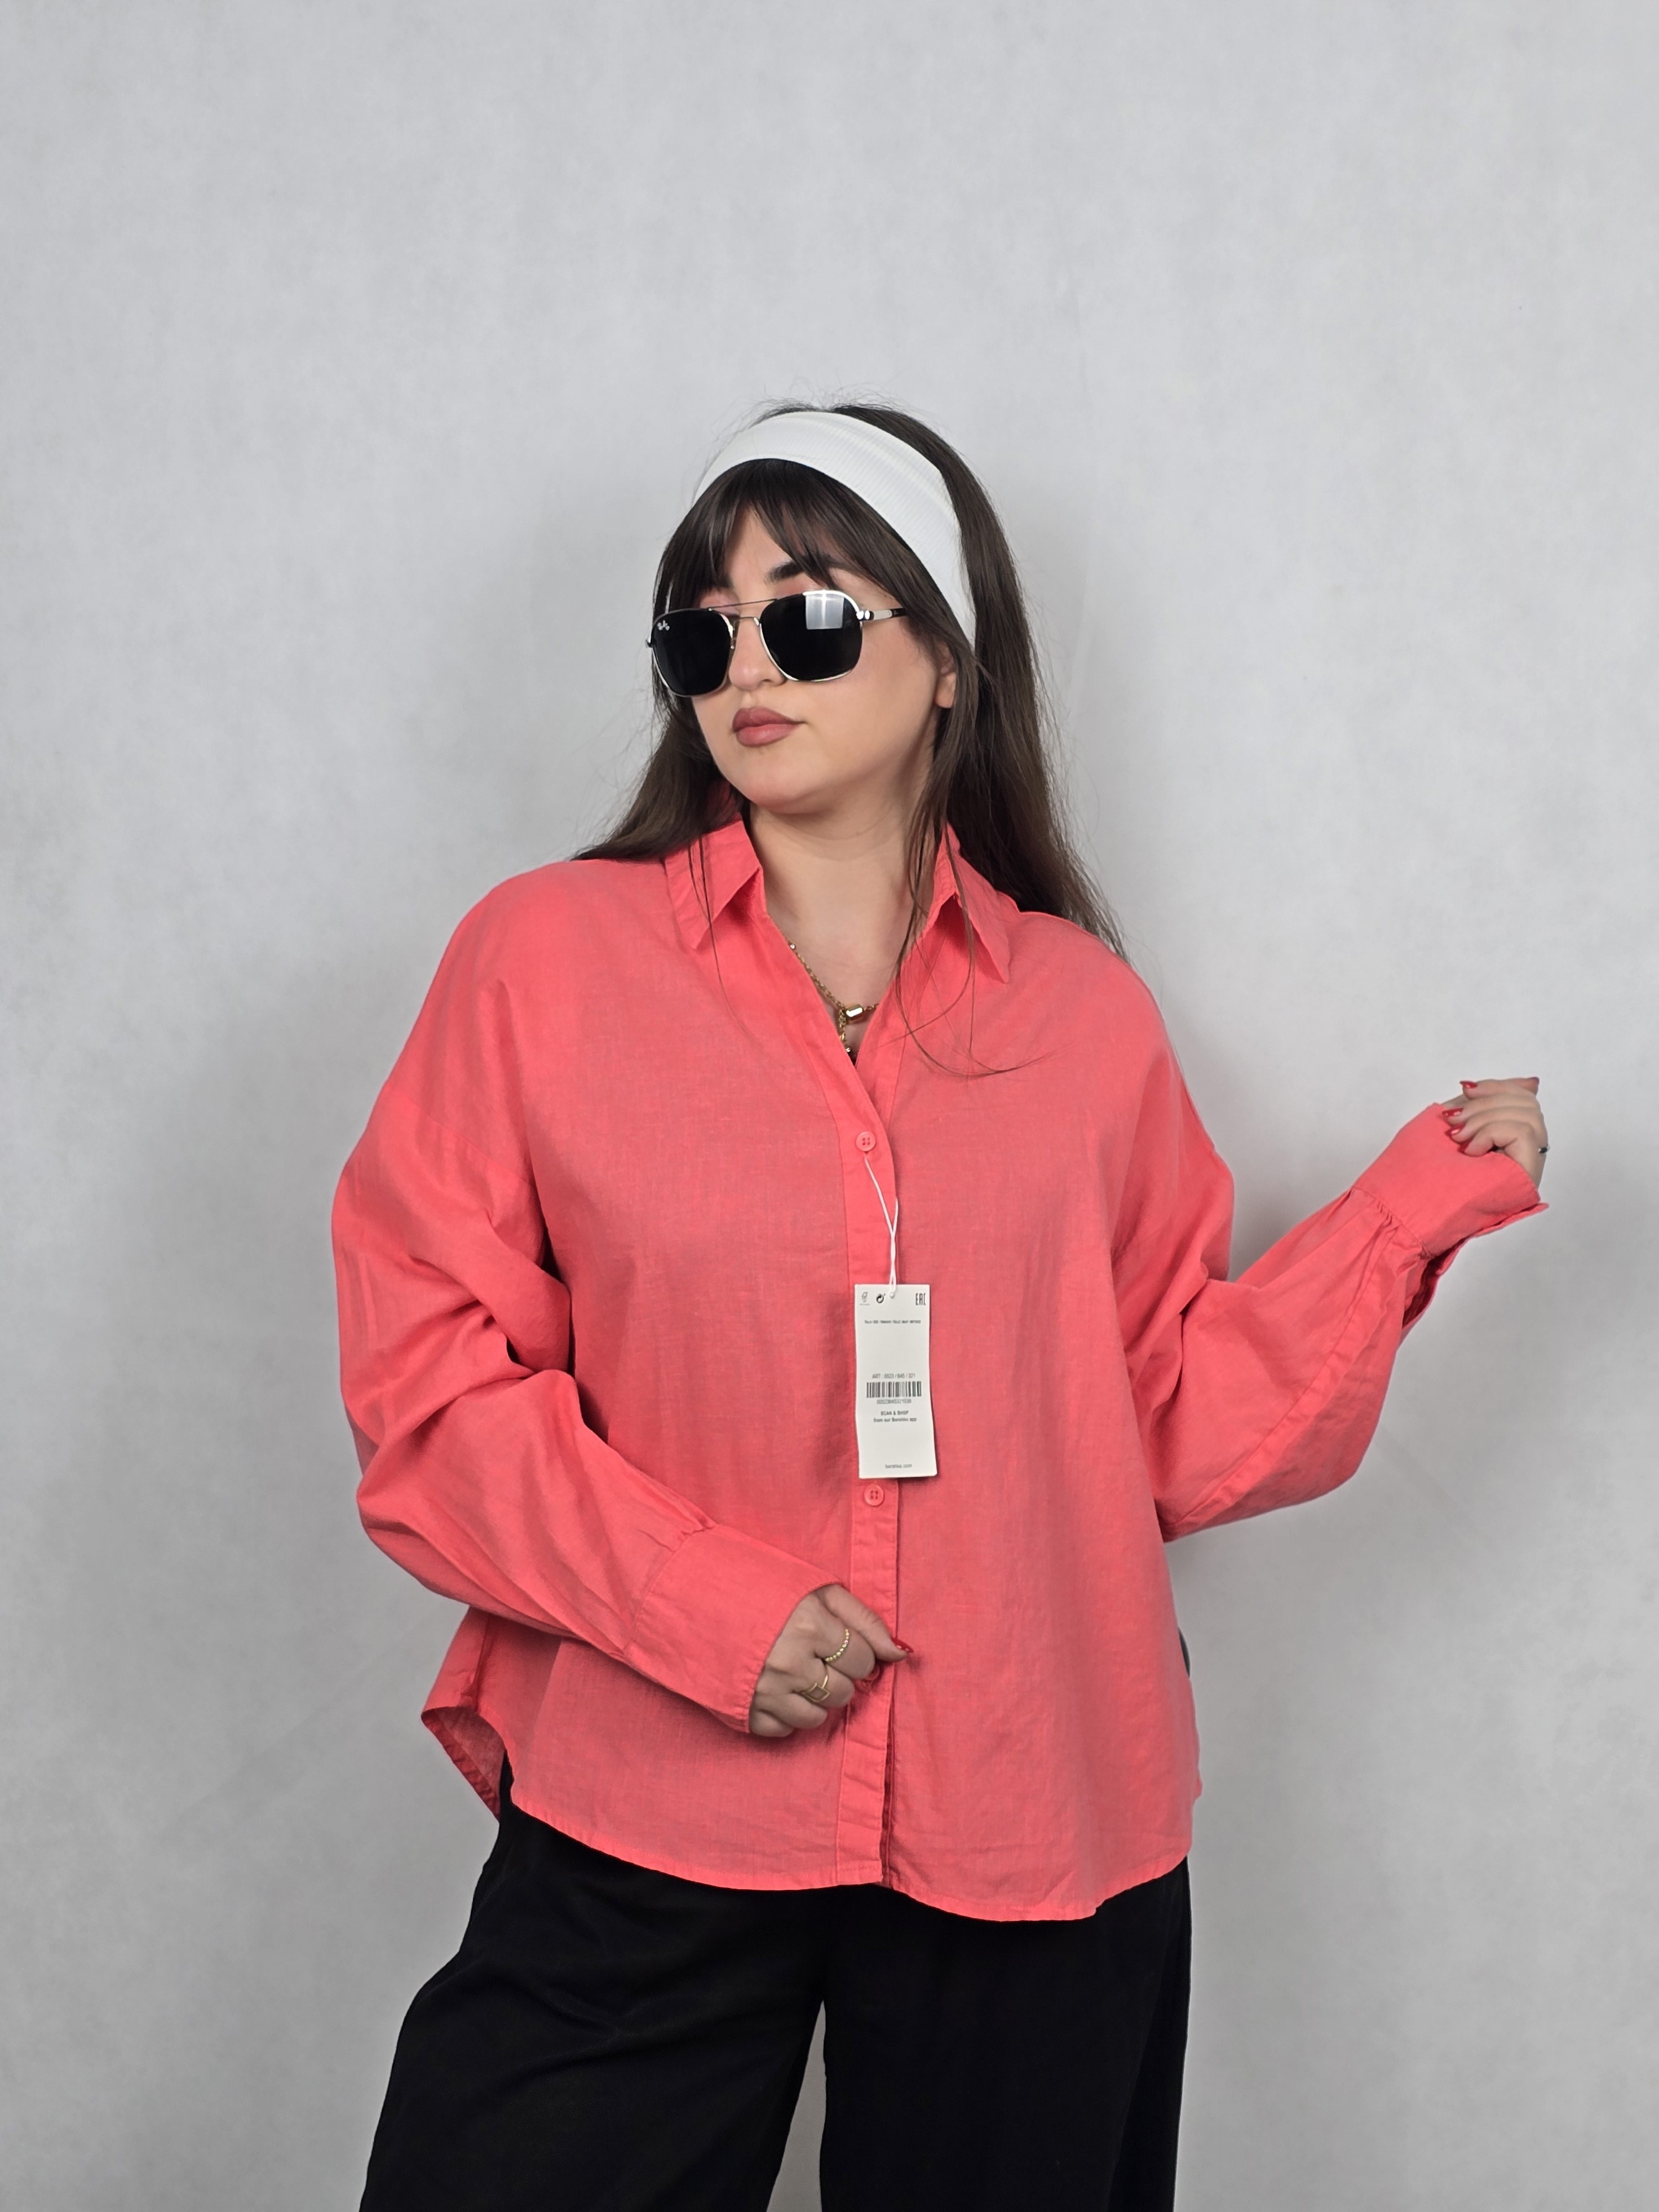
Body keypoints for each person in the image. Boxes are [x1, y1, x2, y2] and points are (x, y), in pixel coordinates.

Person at [331, 404, 1547, 2212]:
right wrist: (703, 1604)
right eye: (702, 635)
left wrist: (1411, 1211)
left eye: (808, 617)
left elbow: (1161, 1419)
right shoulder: (543, 960)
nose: (749, 667)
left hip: (1030, 1797)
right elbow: (430, 1386)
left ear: (952, 660)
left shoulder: (1081, 1015)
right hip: (655, 1787)